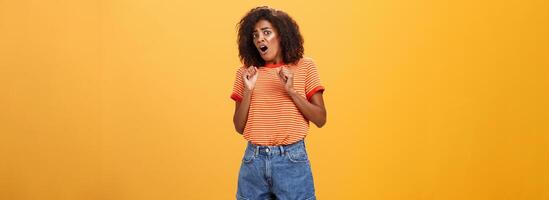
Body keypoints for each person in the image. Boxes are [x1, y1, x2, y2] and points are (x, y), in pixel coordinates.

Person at [231, 6, 327, 200]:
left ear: (282, 36)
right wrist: (249, 89)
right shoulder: (246, 73)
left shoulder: (305, 67)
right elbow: (239, 127)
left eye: (266, 32)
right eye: (255, 35)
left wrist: (291, 91)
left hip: (292, 160)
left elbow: (320, 118)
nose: (260, 39)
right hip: (253, 161)